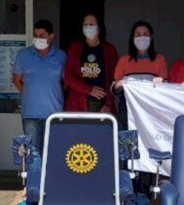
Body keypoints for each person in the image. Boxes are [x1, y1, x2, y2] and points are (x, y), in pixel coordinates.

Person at [12, 18, 66, 177]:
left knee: (53, 151)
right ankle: (35, 189)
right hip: (30, 113)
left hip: (54, 113)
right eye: (35, 35)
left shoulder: (61, 56)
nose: (38, 38)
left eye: (42, 35)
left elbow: (66, 83)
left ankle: (51, 187)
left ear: (51, 37)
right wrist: (29, 93)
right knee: (33, 152)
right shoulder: (24, 55)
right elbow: (16, 80)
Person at [64, 13, 118, 114]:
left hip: (102, 106)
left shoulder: (109, 49)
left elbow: (114, 80)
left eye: (91, 24)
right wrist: (89, 89)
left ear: (99, 27)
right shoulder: (75, 48)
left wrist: (109, 105)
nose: (88, 27)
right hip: (77, 104)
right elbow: (68, 76)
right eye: (85, 24)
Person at [112, 20, 168, 89]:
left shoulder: (160, 60)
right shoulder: (123, 60)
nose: (142, 37)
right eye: (138, 35)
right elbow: (114, 86)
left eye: (145, 34)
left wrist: (161, 82)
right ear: (133, 38)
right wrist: (117, 86)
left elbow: (166, 86)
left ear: (151, 37)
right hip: (128, 99)